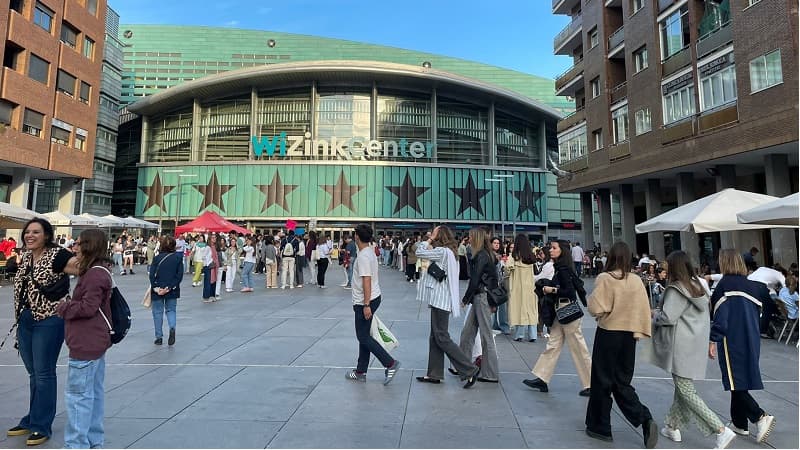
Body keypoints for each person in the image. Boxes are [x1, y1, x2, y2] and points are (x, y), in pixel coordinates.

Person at [640, 250, 737, 449]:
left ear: (675, 267)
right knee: (682, 388)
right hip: (694, 344)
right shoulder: (697, 286)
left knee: (686, 390)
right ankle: (673, 426)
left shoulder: (677, 289)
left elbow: (668, 317)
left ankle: (720, 429)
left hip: (680, 346)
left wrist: (654, 314)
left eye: (667, 265)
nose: (663, 268)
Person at [8, 218, 78, 446]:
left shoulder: (58, 255)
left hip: (49, 320)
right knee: (33, 373)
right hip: (25, 320)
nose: (30, 235)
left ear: (47, 235)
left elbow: (83, 267)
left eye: (36, 232)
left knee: (44, 373)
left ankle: (41, 424)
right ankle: (32, 418)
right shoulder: (27, 256)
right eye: (28, 232)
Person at [584, 241, 657, 447]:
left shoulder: (605, 278)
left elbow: (595, 308)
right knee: (622, 382)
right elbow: (644, 309)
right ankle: (644, 418)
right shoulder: (635, 281)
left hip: (608, 334)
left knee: (602, 380)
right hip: (628, 338)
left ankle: (600, 426)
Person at [709, 250, 776, 444]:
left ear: (724, 263)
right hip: (752, 338)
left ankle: (759, 416)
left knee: (733, 381)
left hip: (732, 339)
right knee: (738, 380)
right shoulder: (754, 287)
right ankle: (740, 423)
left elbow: (721, 318)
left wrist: (713, 339)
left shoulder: (723, 286)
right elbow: (764, 313)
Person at [55, 229, 113, 449]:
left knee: (78, 397)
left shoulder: (93, 274)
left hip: (86, 342)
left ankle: (76, 444)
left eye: (78, 244)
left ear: (89, 246)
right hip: (95, 341)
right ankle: (93, 441)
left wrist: (64, 307)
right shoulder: (101, 271)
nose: (75, 247)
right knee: (94, 394)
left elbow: (89, 307)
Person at [523, 240, 591, 396]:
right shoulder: (560, 268)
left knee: (578, 349)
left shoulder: (564, 269)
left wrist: (550, 289)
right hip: (562, 312)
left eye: (554, 248)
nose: (551, 250)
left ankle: (590, 383)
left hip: (567, 311)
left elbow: (568, 291)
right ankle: (542, 377)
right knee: (553, 345)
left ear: (562, 251)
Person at [414, 226, 479, 387]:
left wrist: (428, 239)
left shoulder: (443, 252)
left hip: (440, 300)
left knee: (441, 337)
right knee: (435, 336)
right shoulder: (450, 252)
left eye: (435, 233)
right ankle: (434, 374)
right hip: (442, 299)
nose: (432, 235)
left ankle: (469, 369)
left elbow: (419, 251)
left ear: (440, 235)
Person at [345, 224, 401, 384]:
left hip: (365, 300)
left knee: (362, 336)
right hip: (374, 296)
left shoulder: (363, 256)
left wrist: (366, 304)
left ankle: (390, 363)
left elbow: (366, 280)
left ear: (357, 236)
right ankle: (361, 371)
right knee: (365, 336)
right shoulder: (369, 252)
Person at [458, 227, 500, 383]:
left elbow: (475, 280)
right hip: (480, 297)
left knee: (485, 335)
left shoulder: (481, 255)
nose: (468, 238)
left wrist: (465, 298)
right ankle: (462, 366)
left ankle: (490, 373)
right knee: (467, 333)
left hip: (481, 297)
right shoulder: (484, 254)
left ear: (476, 238)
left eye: (470, 236)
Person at [149, 235, 183, 346]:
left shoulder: (157, 258)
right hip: (172, 290)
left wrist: (156, 288)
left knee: (157, 312)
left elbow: (152, 275)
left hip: (158, 289)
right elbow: (179, 276)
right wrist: (170, 287)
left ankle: (159, 337)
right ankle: (172, 327)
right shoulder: (178, 258)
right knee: (171, 310)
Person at [507, 234, 538, 342]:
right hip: (530, 287)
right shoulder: (531, 256)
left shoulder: (513, 256)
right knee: (531, 310)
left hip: (517, 287)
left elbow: (507, 270)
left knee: (519, 309)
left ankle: (519, 334)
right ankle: (533, 334)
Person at [747, 265, 786, 338]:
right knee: (768, 307)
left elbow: (769, 287)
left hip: (747, 284)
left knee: (754, 307)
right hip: (759, 285)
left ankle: (753, 328)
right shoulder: (780, 275)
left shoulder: (764, 269)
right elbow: (786, 287)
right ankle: (762, 331)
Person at [490, 237, 510, 335]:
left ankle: (503, 325)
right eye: (494, 243)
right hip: (492, 283)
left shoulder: (501, 256)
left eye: (498, 243)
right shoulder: (489, 255)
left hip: (500, 283)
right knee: (493, 304)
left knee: (502, 304)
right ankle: (494, 324)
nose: (497, 245)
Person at [202, 234, 220, 302]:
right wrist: (208, 263)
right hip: (209, 266)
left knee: (213, 281)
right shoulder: (207, 247)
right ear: (209, 239)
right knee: (208, 282)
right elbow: (203, 257)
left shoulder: (214, 247)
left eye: (215, 237)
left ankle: (212, 295)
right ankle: (206, 297)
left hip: (214, 266)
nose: (214, 239)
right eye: (212, 238)